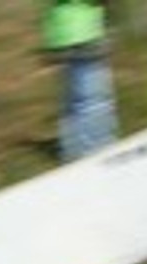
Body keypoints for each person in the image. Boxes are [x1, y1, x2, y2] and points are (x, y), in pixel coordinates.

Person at [42, 0, 118, 161]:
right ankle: (97, 151)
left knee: (73, 102)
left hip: (62, 33)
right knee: (93, 101)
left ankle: (72, 153)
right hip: (83, 34)